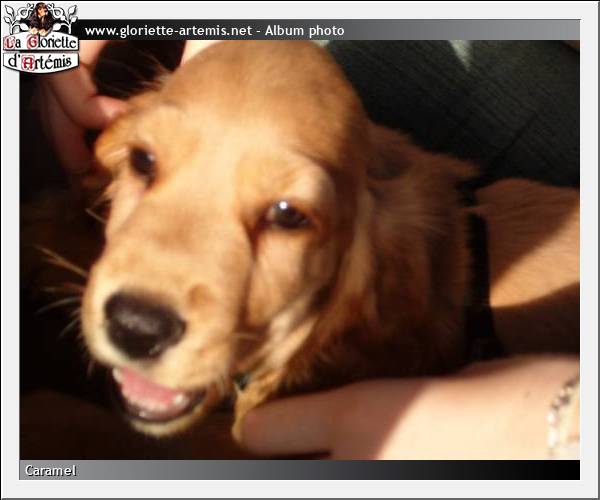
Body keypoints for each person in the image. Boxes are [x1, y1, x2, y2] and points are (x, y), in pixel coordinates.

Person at [35, 40, 580, 460]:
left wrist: (563, 429)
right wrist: (31, 40)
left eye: (285, 214)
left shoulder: (375, 300)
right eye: (146, 162)